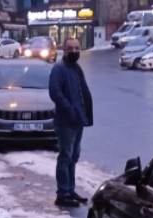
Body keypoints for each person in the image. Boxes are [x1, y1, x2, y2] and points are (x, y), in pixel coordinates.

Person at [48, 37, 93, 207]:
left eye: (77, 48)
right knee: (66, 156)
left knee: (74, 156)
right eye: (70, 48)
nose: (74, 51)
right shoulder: (59, 69)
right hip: (66, 121)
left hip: (78, 121)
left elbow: (82, 92)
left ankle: (70, 189)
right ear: (64, 50)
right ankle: (63, 193)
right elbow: (55, 93)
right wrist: (71, 110)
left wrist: (83, 114)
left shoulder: (76, 68)